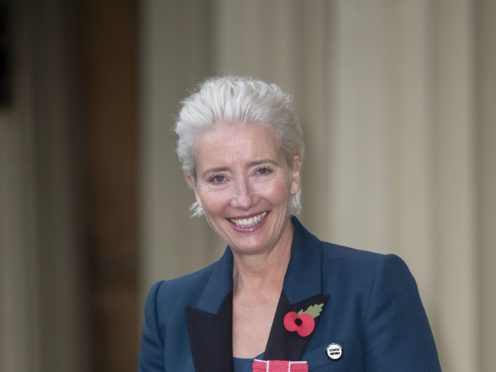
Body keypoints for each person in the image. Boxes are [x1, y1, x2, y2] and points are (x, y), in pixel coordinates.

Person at [138, 76, 441, 372]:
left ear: (293, 172)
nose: (243, 199)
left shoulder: (372, 285)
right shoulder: (168, 306)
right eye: (219, 178)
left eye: (261, 171)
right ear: (195, 187)